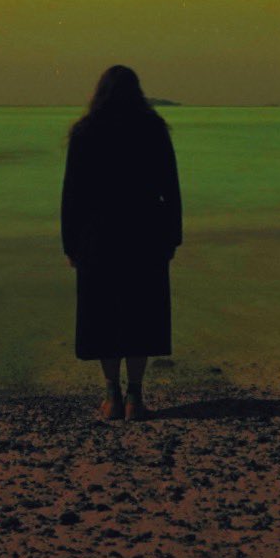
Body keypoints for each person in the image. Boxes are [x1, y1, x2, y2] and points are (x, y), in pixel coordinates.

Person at [60, 64, 182, 422]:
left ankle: (112, 396)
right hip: (144, 233)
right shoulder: (153, 129)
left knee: (104, 317)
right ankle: (135, 398)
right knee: (140, 316)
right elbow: (170, 188)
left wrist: (70, 243)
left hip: (97, 235)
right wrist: (173, 236)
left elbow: (72, 194)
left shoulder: (85, 132)